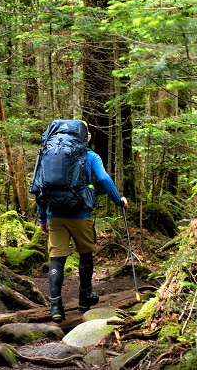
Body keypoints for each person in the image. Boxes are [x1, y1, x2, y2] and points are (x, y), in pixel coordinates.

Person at [37, 122, 128, 323]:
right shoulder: (90, 156)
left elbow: (40, 186)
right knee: (85, 255)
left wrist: (42, 218)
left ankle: (56, 307)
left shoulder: (47, 154)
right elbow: (104, 179)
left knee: (57, 260)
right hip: (81, 215)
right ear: (85, 137)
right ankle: (84, 298)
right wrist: (118, 200)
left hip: (55, 214)